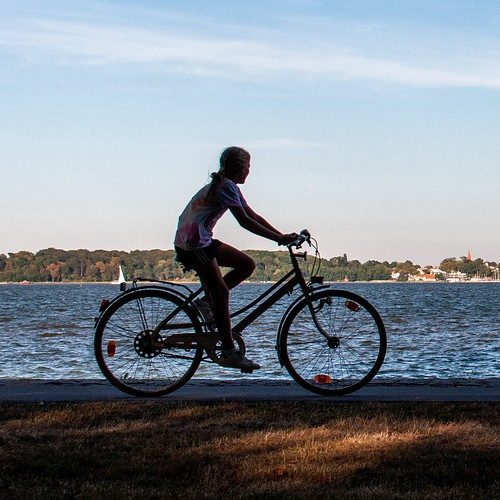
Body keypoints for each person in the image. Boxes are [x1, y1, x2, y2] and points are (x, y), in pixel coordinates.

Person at [174, 146, 297, 372]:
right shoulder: (226, 186)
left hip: (199, 239)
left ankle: (204, 303)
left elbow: (252, 214)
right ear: (240, 167)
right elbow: (245, 222)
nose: (249, 171)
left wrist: (281, 236)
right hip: (193, 243)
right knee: (221, 292)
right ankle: (230, 352)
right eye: (248, 166)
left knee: (246, 264)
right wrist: (278, 239)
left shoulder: (229, 185)